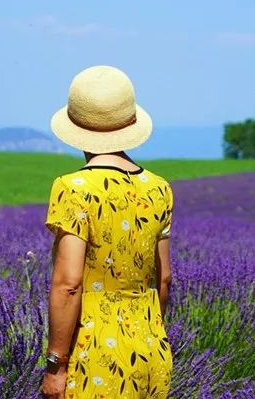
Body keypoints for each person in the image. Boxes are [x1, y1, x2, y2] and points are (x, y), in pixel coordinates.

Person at [40, 65, 174, 399]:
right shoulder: (158, 189)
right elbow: (165, 279)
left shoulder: (74, 189)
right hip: (151, 351)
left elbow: (69, 284)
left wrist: (56, 364)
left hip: (95, 355)